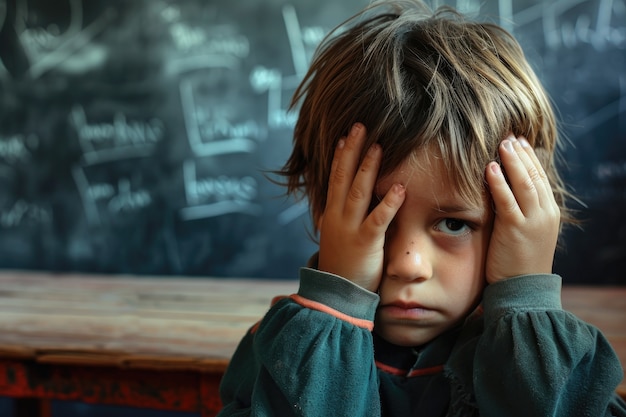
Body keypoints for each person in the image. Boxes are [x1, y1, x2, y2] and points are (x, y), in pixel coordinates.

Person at [217, 1, 626, 415]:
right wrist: (334, 311)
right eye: (377, 217)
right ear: (325, 209)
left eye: (453, 223)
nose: (409, 265)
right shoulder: (283, 350)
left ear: (514, 226)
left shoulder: (545, 357)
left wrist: (526, 303)